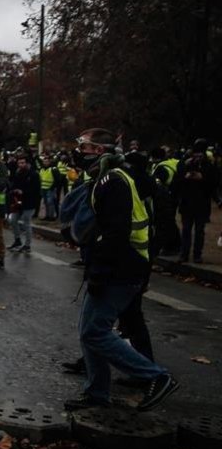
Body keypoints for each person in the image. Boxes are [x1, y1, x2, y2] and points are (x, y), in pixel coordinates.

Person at [64, 128, 178, 412]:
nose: (78, 152)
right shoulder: (107, 177)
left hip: (121, 268)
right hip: (119, 265)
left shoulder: (113, 180)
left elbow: (116, 232)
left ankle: (155, 376)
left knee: (94, 332)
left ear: (99, 151)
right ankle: (97, 393)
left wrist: (101, 271)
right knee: (89, 330)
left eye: (84, 147)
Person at [171, 139, 219, 263]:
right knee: (186, 230)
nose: (198, 156)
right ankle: (184, 254)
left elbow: (214, 185)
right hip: (187, 202)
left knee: (199, 231)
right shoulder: (185, 164)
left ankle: (197, 254)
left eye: (200, 153)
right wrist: (185, 176)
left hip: (201, 203)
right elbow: (176, 183)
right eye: (196, 153)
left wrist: (202, 178)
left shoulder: (209, 167)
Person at [7, 155, 41, 253]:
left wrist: (24, 192)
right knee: (13, 220)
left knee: (27, 222)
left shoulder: (33, 174)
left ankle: (27, 245)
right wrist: (13, 191)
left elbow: (36, 189)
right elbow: (14, 184)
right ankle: (17, 240)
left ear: (27, 163)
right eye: (19, 163)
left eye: (23, 163)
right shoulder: (18, 173)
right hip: (18, 201)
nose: (21, 165)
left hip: (29, 202)